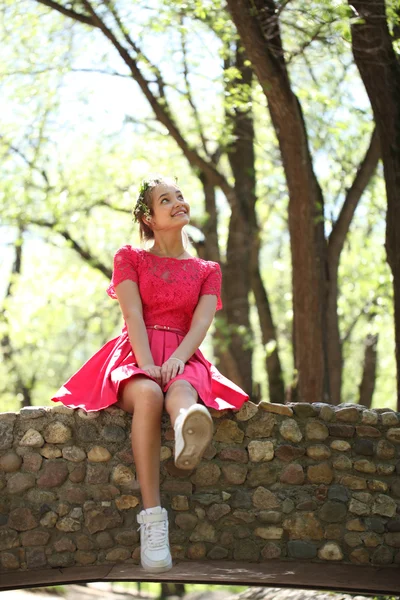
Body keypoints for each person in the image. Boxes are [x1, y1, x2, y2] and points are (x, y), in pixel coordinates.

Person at [51, 174, 249, 573]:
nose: (178, 202)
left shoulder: (208, 268)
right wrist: (145, 363)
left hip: (183, 353)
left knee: (183, 390)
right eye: (165, 200)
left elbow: (201, 324)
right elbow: (133, 314)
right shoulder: (130, 257)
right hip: (134, 352)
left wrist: (177, 358)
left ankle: (185, 431)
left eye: (179, 196)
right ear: (148, 217)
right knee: (148, 394)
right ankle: (153, 518)